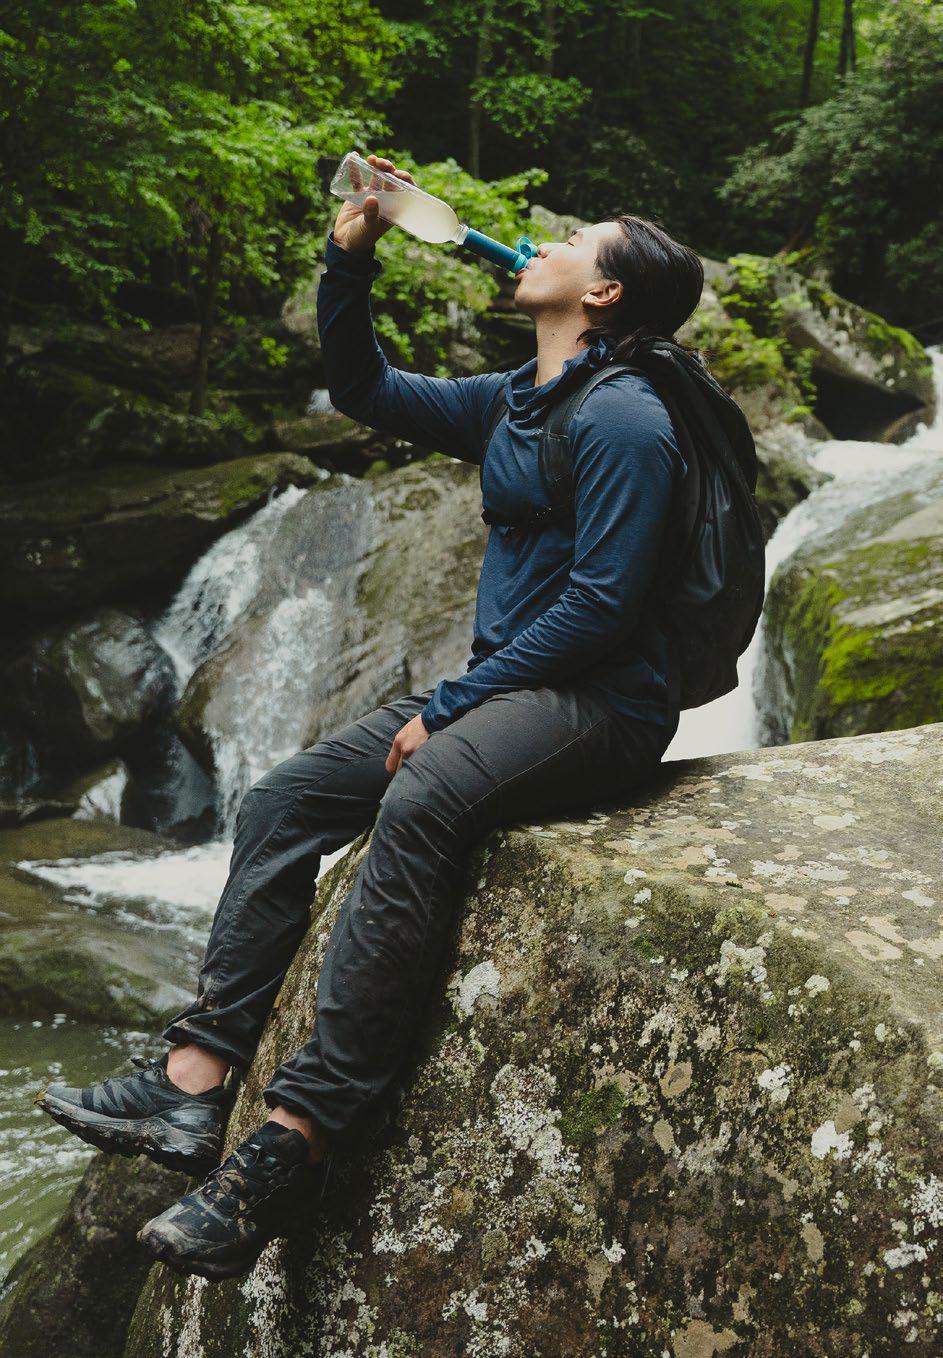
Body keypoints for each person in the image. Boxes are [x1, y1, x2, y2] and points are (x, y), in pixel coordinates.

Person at [36, 153, 703, 1281]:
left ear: (602, 293)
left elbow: (603, 605)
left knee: (422, 792)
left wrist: (451, 705)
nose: (540, 241)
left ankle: (293, 1139)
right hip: (513, 687)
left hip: (604, 702)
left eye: (571, 239)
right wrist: (349, 259)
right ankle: (194, 1083)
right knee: (285, 796)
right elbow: (364, 390)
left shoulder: (629, 417)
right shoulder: (519, 397)